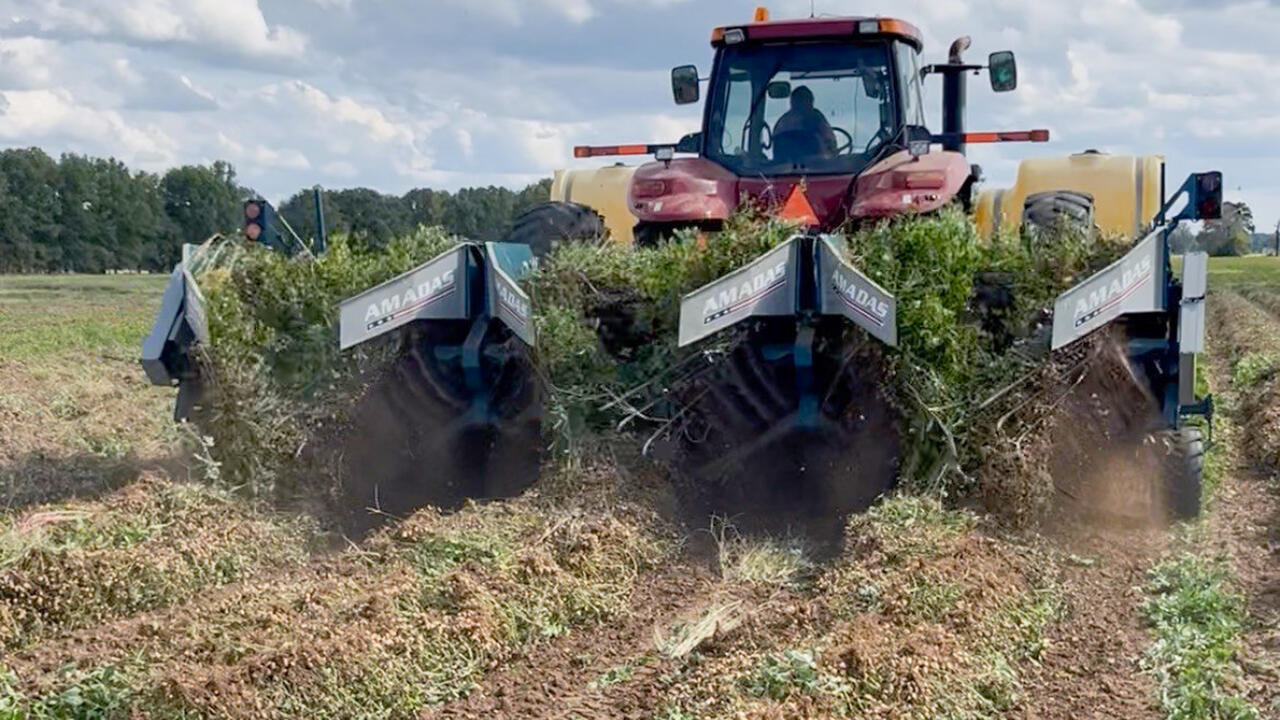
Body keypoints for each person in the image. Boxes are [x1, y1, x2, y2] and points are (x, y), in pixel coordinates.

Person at [772, 85, 837, 160]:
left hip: (823, 168)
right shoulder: (784, 125)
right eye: (801, 101)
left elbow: (831, 144)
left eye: (808, 100)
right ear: (793, 103)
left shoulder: (818, 118)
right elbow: (779, 156)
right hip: (789, 169)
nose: (806, 104)